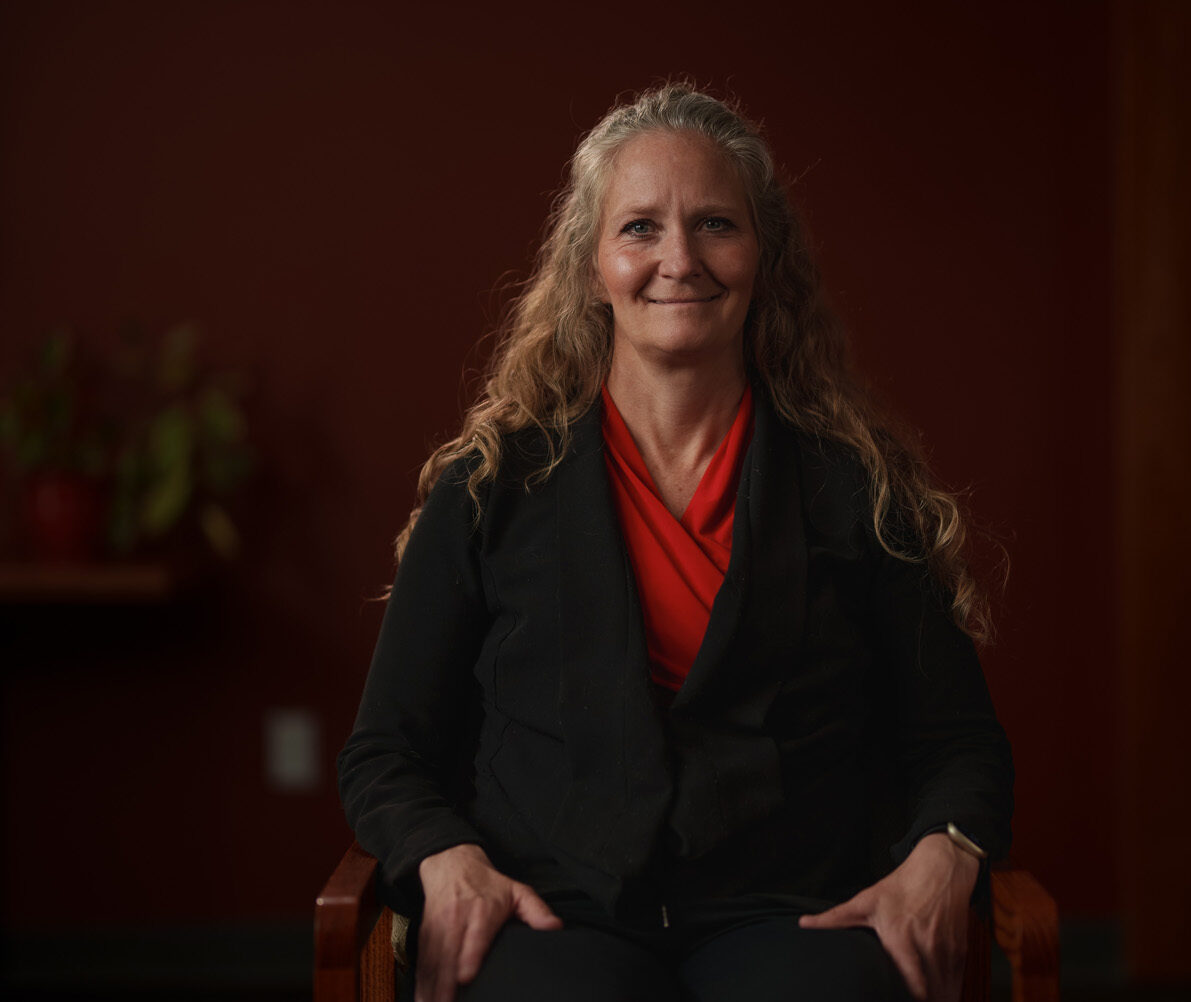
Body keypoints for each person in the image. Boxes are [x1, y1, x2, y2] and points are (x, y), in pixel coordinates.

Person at [338, 82, 1013, 1002]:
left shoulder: (857, 489)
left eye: (716, 225)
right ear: (591, 266)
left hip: (794, 913)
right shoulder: (491, 487)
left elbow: (960, 745)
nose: (680, 259)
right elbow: (386, 751)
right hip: (551, 909)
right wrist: (445, 858)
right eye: (641, 228)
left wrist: (946, 854)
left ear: (762, 257)